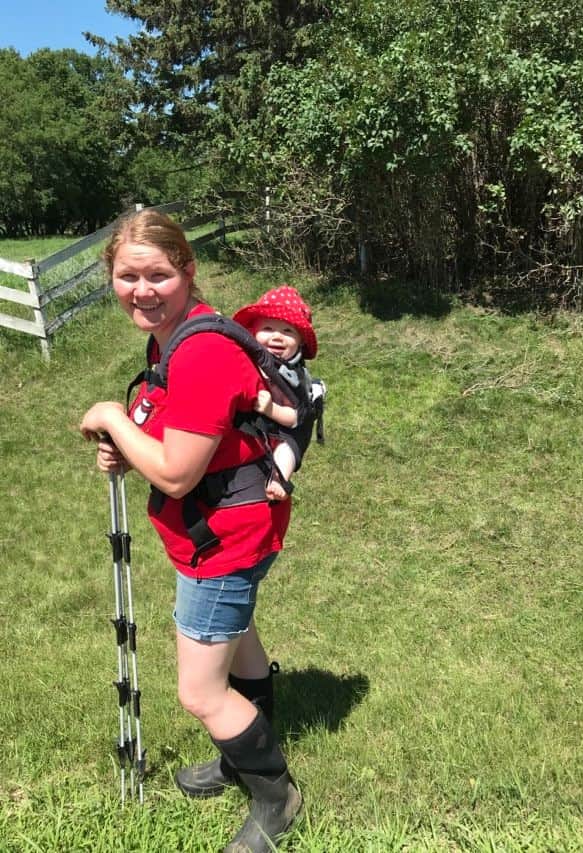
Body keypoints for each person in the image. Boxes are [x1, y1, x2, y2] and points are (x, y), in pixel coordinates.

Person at [80, 209, 302, 853]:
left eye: (157, 274)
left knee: (201, 691)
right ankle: (242, 759)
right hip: (231, 526)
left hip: (220, 541)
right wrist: (130, 439)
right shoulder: (174, 336)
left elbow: (176, 475)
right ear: (112, 278)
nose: (141, 290)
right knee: (242, 642)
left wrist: (112, 421)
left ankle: (275, 796)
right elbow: (178, 433)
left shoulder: (200, 351)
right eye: (128, 276)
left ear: (187, 270)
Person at [233, 286, 318, 502]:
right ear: (253, 333)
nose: (277, 337)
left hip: (285, 429)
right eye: (268, 328)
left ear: (300, 341)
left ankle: (278, 479)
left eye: (288, 331)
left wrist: (272, 409)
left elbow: (295, 418)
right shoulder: (249, 358)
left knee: (288, 448)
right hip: (253, 429)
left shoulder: (293, 376)